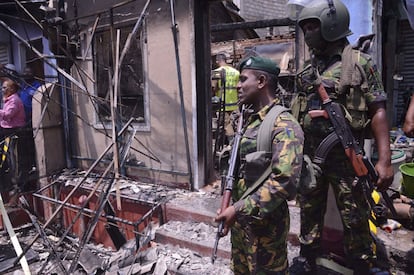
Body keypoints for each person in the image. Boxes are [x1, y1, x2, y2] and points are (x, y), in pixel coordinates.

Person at [291, 0, 394, 273]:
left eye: (313, 26)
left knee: (355, 217)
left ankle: (361, 264)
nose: (308, 33)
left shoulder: (359, 64)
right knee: (309, 212)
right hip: (312, 158)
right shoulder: (307, 69)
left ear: (331, 25)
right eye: (305, 27)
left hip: (348, 160)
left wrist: (385, 160)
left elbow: (379, 111)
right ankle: (307, 258)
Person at [214, 56, 304, 274]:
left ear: (262, 81)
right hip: (242, 227)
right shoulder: (247, 122)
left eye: (244, 79)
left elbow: (285, 182)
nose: (237, 85)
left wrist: (238, 208)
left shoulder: (283, 125)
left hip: (266, 233)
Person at [212, 53, 240, 145]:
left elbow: (213, 87)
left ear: (217, 61)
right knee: (235, 125)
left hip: (222, 104)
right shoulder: (236, 72)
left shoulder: (216, 72)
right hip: (235, 104)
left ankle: (232, 146)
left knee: (226, 125)